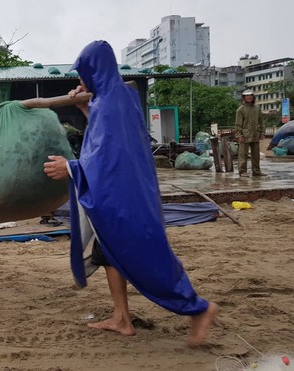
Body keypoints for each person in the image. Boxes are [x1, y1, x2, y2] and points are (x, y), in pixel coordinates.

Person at [43, 40, 218, 346]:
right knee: (108, 253)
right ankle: (122, 319)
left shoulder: (111, 104)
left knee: (145, 257)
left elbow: (106, 159)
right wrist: (84, 107)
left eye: (84, 74)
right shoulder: (114, 98)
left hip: (125, 199)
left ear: (95, 71)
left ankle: (199, 309)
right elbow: (105, 139)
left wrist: (70, 168)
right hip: (124, 195)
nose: (81, 82)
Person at [235, 90, 264, 177]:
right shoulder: (240, 109)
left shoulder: (257, 108)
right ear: (244, 98)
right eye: (247, 96)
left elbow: (261, 121)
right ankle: (242, 171)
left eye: (251, 95)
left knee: (256, 155)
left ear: (253, 97)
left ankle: (256, 171)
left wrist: (262, 132)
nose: (249, 97)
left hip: (255, 133)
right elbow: (238, 124)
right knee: (243, 155)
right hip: (244, 134)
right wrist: (238, 135)